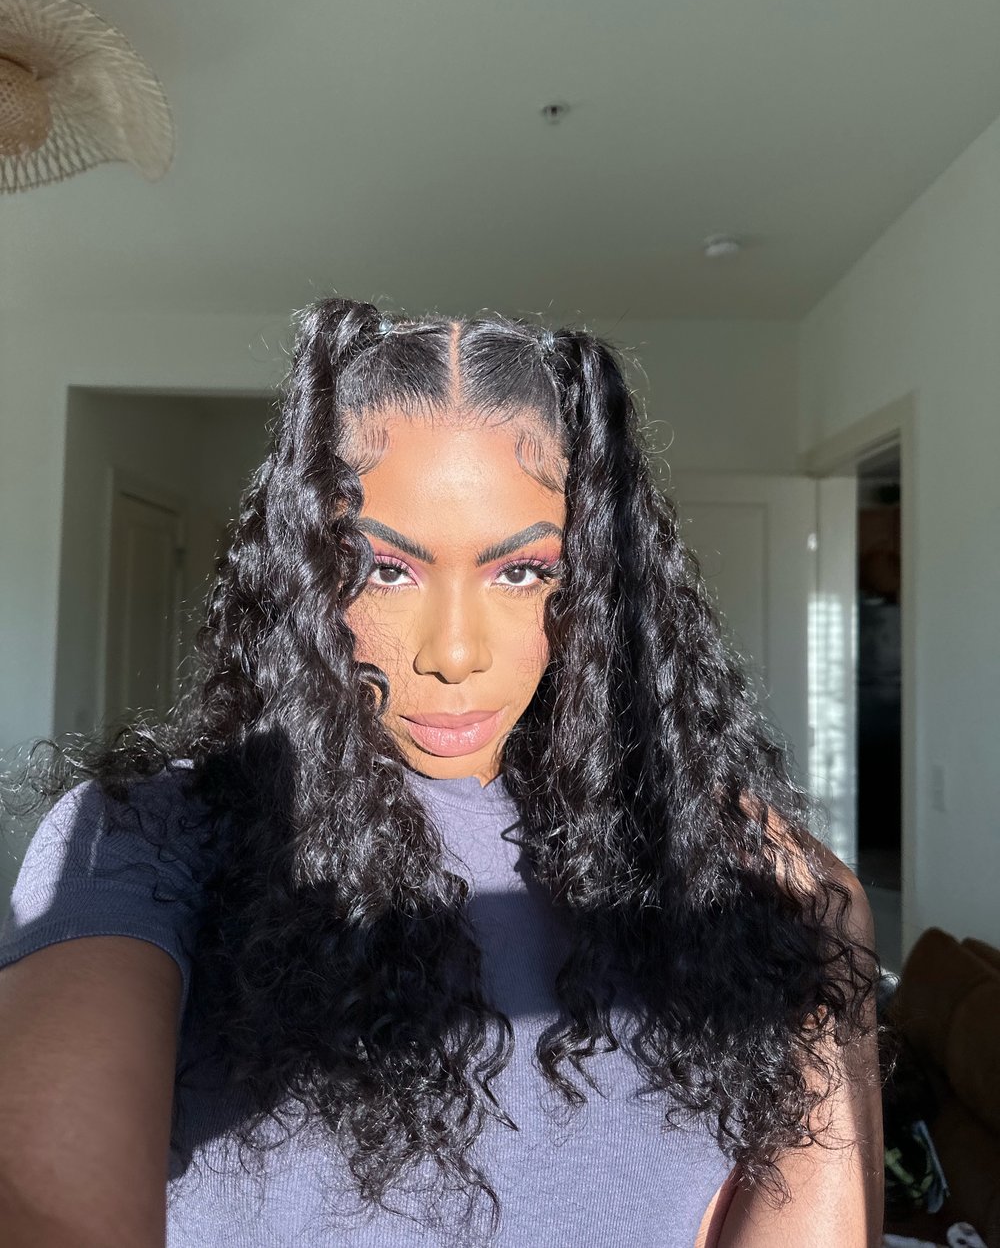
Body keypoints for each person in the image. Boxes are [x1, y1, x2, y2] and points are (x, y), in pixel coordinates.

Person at [0, 297, 884, 1247]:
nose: (454, 653)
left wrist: (837, 944)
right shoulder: (147, 841)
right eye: (386, 569)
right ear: (305, 571)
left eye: (521, 572)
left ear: (591, 584)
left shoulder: (703, 866)